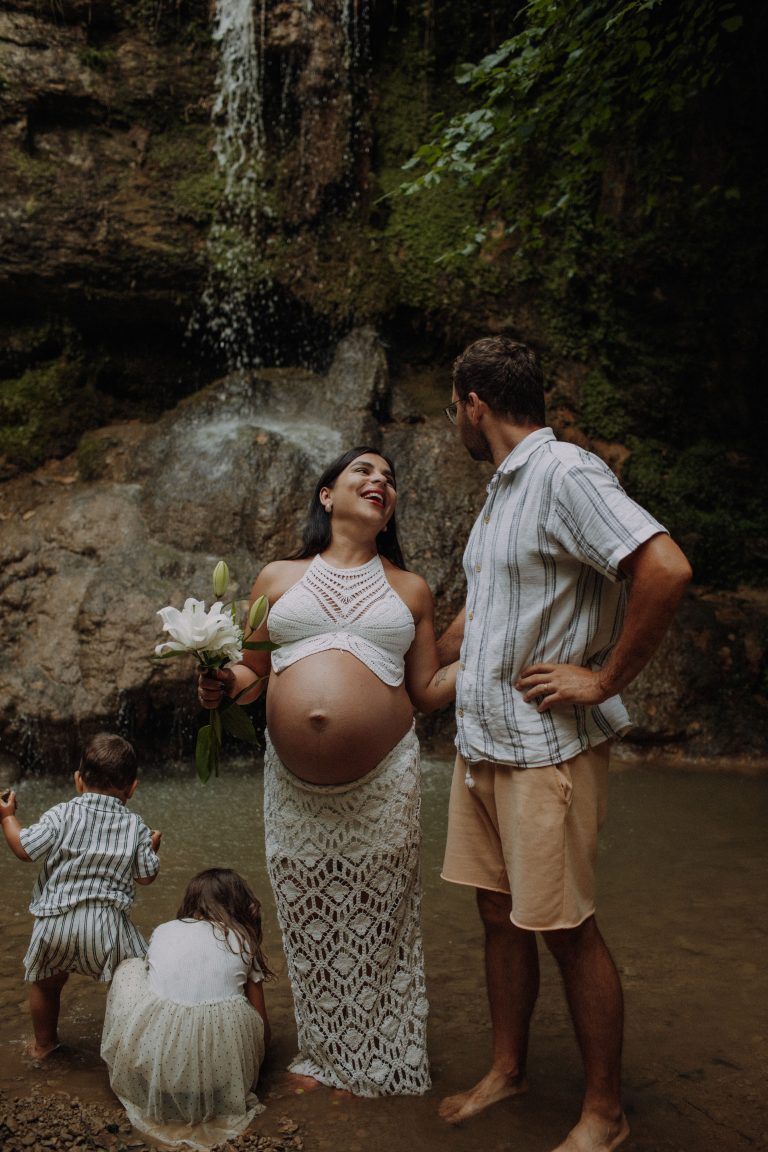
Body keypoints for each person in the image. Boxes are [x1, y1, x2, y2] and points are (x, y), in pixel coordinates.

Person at [436, 337, 692, 1152]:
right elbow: (489, 611)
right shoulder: (502, 491)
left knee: (567, 927)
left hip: (546, 746)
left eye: (454, 407)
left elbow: (665, 567)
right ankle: (509, 1069)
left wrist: (604, 679)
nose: (455, 421)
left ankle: (605, 1114)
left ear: (475, 402)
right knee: (497, 914)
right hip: (482, 743)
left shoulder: (565, 473)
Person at [198, 446, 458, 1097]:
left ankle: (377, 1053)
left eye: (390, 479)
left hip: (383, 782)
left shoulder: (410, 588)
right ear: (326, 495)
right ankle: (325, 1050)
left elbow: (426, 691)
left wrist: (488, 643)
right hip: (293, 787)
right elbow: (252, 676)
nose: (380, 482)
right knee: (307, 912)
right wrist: (217, 680)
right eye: (364, 472)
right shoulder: (277, 579)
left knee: (380, 917)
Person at [0, 732, 161, 1060]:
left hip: (55, 924)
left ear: (78, 781)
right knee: (138, 977)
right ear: (132, 788)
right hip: (106, 929)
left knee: (46, 984)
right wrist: (151, 848)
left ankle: (43, 1047)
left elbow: (25, 849)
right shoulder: (136, 827)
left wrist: (7, 816)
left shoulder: (62, 814)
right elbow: (146, 877)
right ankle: (130, 1050)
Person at [101, 868, 272, 1150]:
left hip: (159, 1072)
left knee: (130, 969)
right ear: (239, 904)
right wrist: (254, 1062)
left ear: (192, 902)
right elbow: (263, 1027)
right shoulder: (243, 940)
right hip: (222, 1076)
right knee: (235, 1005)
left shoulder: (165, 930)